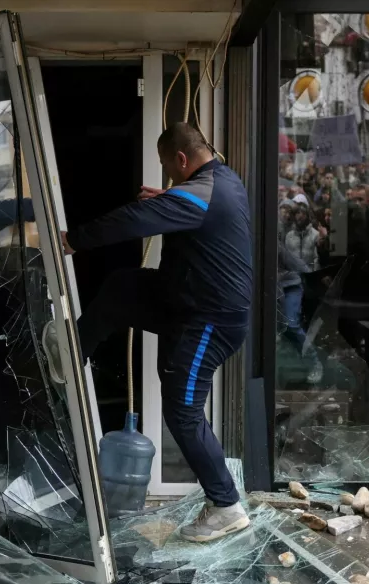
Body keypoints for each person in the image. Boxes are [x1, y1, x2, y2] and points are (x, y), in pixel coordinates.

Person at [56, 122, 253, 542]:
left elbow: (132, 220)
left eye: (167, 167)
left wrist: (73, 240)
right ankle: (72, 356)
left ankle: (226, 505)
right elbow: (199, 208)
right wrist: (170, 197)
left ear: (181, 160)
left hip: (210, 323)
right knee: (122, 287)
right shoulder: (222, 179)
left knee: (181, 412)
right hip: (183, 303)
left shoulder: (198, 197)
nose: (167, 174)